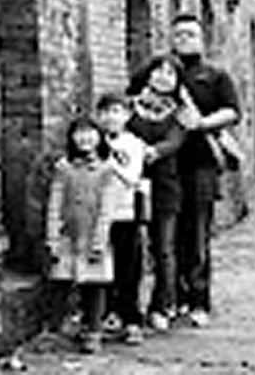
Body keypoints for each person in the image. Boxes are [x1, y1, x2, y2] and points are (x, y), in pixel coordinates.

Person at [171, 14, 240, 327]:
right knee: (170, 237)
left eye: (190, 34)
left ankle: (199, 301)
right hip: (169, 165)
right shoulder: (165, 74)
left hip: (202, 164)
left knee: (197, 235)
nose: (184, 39)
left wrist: (201, 123)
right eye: (179, 35)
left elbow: (232, 112)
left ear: (201, 39)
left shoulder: (216, 76)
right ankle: (176, 298)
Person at [45, 116, 116, 353]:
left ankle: (93, 330)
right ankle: (55, 329)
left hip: (93, 233)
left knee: (95, 283)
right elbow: (55, 203)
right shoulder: (63, 168)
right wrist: (52, 236)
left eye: (90, 133)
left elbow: (106, 209)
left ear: (99, 137)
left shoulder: (106, 169)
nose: (85, 138)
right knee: (61, 280)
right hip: (68, 234)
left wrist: (100, 241)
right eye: (79, 133)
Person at [126, 54, 186, 331]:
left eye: (170, 73)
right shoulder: (130, 106)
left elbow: (175, 141)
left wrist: (155, 151)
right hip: (132, 184)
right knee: (131, 248)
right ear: (148, 74)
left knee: (163, 249)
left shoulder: (179, 112)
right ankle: (127, 307)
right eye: (158, 71)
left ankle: (161, 305)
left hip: (165, 186)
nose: (163, 77)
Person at [96, 92, 149, 345]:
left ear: (127, 116)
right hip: (98, 214)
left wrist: (110, 163)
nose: (110, 117)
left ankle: (131, 319)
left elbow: (132, 177)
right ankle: (106, 315)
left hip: (125, 212)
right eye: (105, 112)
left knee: (128, 266)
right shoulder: (94, 141)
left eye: (116, 111)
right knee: (101, 268)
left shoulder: (134, 144)